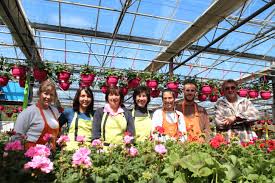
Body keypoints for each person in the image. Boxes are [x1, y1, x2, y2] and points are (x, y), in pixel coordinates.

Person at [13, 79, 60, 149]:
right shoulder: (29, 112)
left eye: (51, 94)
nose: (48, 97)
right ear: (39, 93)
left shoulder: (54, 111)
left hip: (50, 153)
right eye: (46, 93)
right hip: (33, 153)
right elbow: (17, 136)